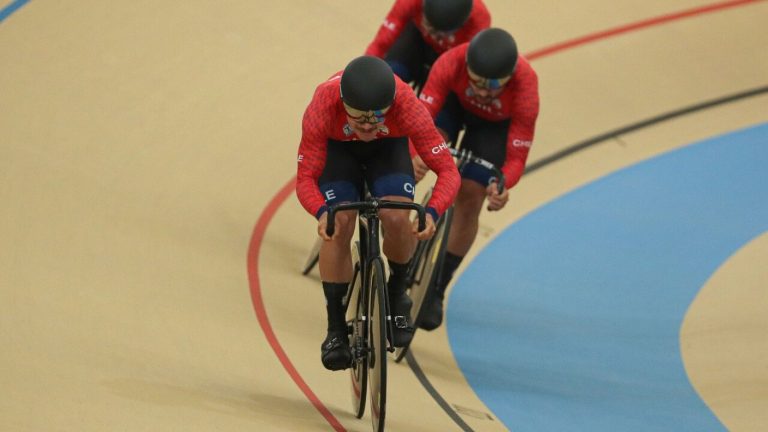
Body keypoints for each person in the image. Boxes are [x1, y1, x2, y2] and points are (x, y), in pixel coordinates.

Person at [296, 55, 460, 371]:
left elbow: (447, 171)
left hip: (389, 151)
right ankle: (334, 329)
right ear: (343, 104)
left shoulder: (407, 104)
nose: (368, 126)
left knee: (398, 216)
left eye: (377, 118)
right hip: (339, 153)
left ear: (391, 105)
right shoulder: (322, 103)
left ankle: (398, 292)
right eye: (359, 119)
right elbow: (305, 178)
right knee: (338, 223)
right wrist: (320, 213)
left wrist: (432, 211)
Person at [413, 28, 540, 330]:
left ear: (509, 78)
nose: (484, 91)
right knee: (418, 157)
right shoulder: (450, 63)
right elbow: (421, 119)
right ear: (467, 67)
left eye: (494, 85)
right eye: (478, 81)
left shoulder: (526, 86)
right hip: (452, 108)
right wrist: (416, 154)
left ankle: (437, 288)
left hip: (493, 128)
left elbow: (516, 156)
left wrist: (502, 184)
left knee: (471, 194)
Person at [366, 0, 491, 91]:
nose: (433, 36)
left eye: (440, 34)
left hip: (450, 55)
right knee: (383, 81)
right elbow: (381, 43)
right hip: (416, 38)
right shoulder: (410, 2)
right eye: (429, 26)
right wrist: (362, 73)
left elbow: (463, 71)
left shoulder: (479, 20)